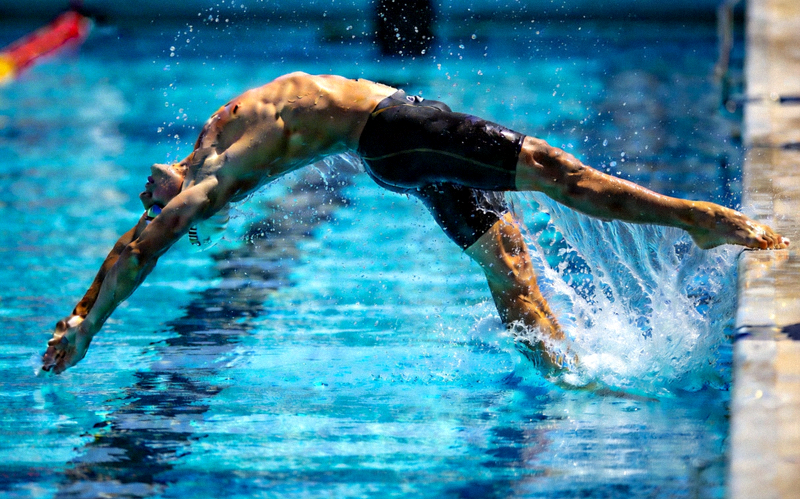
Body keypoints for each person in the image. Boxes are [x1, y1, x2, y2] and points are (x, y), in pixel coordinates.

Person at [41, 72, 789, 375]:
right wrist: (84, 320)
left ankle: (567, 377)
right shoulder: (219, 166)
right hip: (396, 128)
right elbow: (147, 244)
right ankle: (696, 221)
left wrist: (84, 311)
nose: (168, 198)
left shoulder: (212, 139)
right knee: (565, 174)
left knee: (510, 265)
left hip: (393, 155)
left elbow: (155, 219)